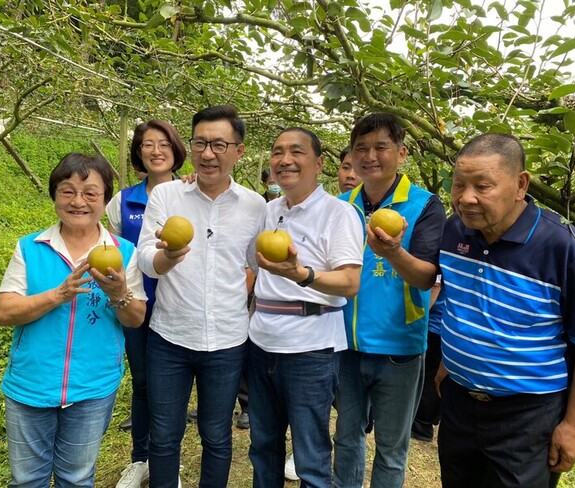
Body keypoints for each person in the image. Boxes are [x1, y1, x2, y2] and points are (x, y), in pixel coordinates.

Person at [0, 153, 147, 487]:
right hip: (30, 385)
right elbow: (5, 312)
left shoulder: (123, 253)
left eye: (90, 193)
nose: (78, 201)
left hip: (92, 388)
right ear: (54, 196)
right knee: (26, 480)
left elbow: (136, 319)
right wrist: (59, 294)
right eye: (67, 191)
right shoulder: (31, 248)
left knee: (76, 477)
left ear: (105, 200)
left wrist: (119, 292)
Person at [436, 133, 575, 488]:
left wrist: (573, 425)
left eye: (482, 186)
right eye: (458, 185)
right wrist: (448, 364)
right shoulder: (456, 229)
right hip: (459, 403)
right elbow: (462, 301)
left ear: (520, 184)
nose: (466, 198)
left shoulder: (562, 247)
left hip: (527, 415)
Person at [137, 105, 266, 488]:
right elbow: (144, 258)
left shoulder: (255, 206)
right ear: (190, 147)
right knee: (163, 436)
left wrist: (233, 297)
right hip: (169, 338)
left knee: (216, 435)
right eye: (200, 143)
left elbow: (255, 264)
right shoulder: (166, 196)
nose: (208, 154)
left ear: (239, 151)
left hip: (227, 341)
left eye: (219, 144)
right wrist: (167, 257)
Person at [334, 113, 446, 488]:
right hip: (345, 345)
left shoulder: (423, 205)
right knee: (346, 439)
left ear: (401, 153)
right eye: (361, 148)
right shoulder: (341, 205)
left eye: (381, 147)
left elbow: (428, 275)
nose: (370, 156)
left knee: (392, 448)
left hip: (400, 348)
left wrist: (395, 252)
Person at [248, 127, 364, 488]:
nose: (285, 160)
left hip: (310, 349)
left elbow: (350, 282)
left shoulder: (338, 213)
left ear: (319, 163)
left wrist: (302, 274)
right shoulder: (268, 211)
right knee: (263, 445)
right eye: (277, 152)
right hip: (261, 342)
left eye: (296, 152)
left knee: (311, 455)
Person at [107, 120, 187, 488]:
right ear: (138, 152)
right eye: (147, 144)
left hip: (180, 306)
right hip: (139, 307)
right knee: (142, 384)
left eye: (163, 143)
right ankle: (140, 458)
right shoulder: (121, 202)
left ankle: (168, 460)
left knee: (172, 388)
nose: (156, 150)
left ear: (175, 150)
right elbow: (113, 254)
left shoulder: (192, 193)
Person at [410, 278, 444, 442]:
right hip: (439, 325)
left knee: (429, 376)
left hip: (434, 325)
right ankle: (423, 424)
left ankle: (421, 425)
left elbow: (435, 287)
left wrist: (419, 318)